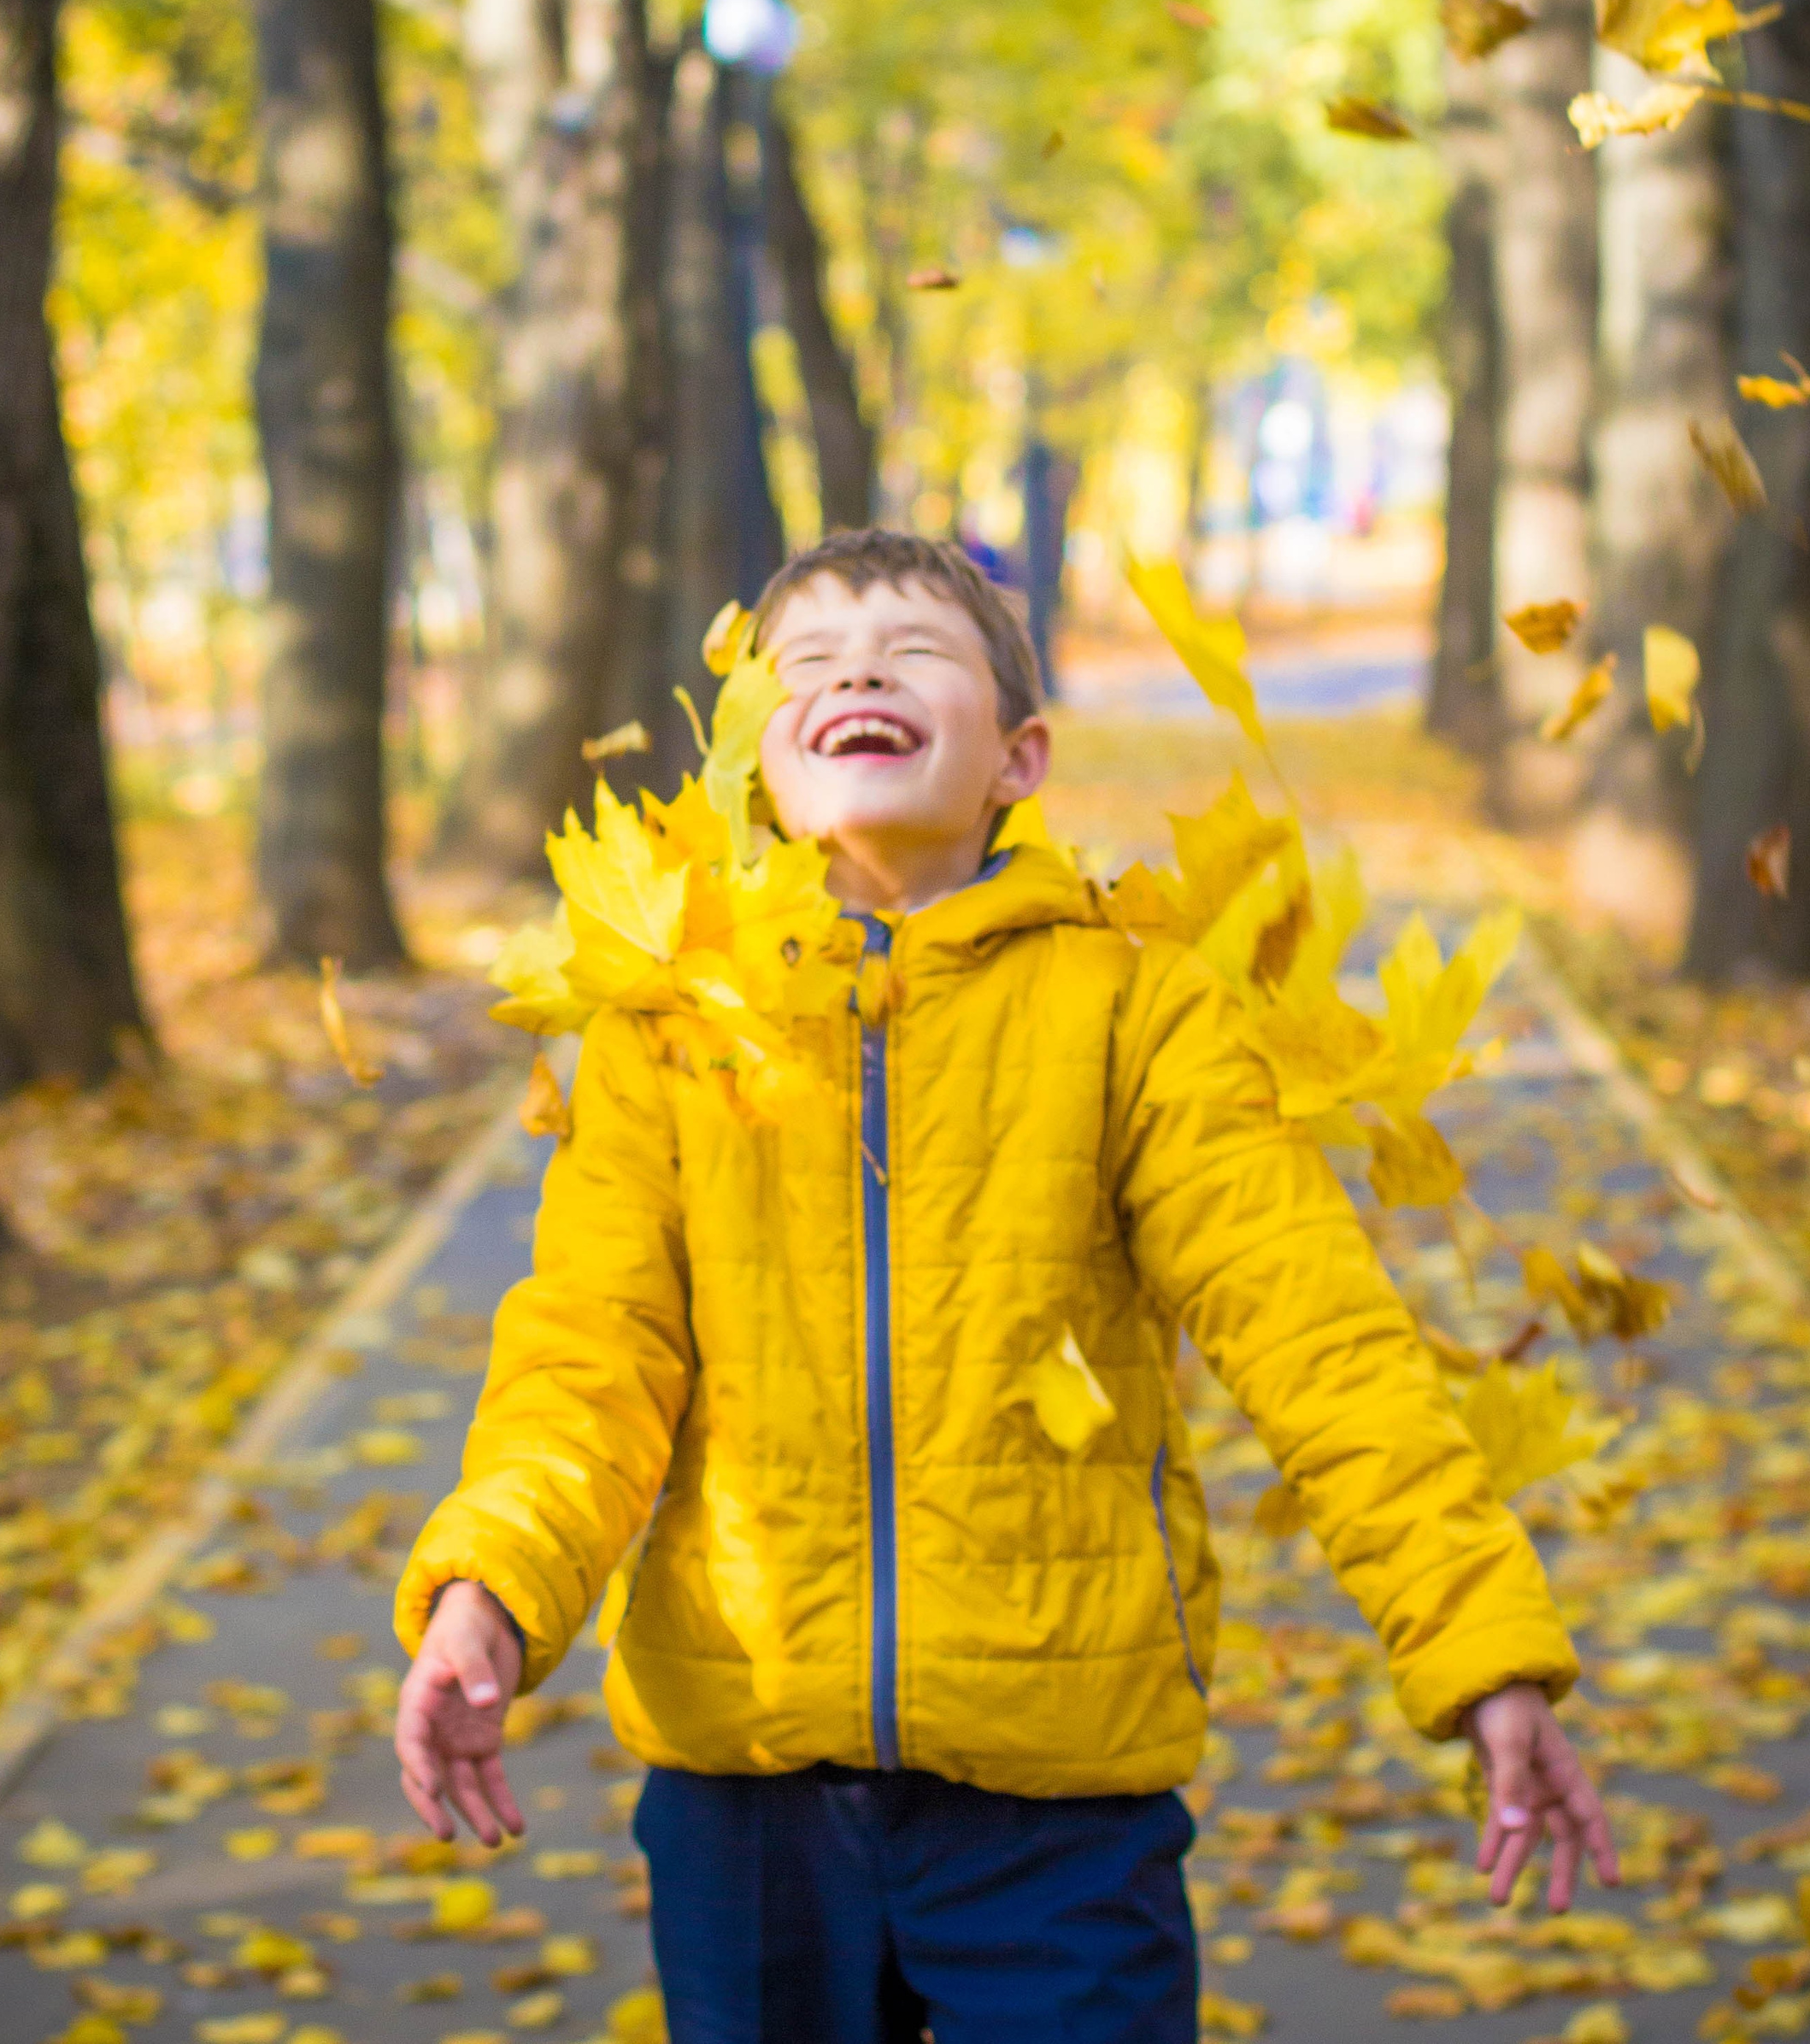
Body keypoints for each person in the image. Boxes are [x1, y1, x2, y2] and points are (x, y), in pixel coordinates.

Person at [392, 527, 1617, 2043]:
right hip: (749, 1795)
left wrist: (1483, 1647)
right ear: (755, 768)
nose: (856, 672)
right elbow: (590, 1354)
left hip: (1060, 1799)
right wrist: (490, 1593)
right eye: (809, 665)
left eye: (912, 653)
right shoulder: (673, 1031)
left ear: (1018, 756)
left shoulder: (1131, 1011)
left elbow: (1321, 1342)